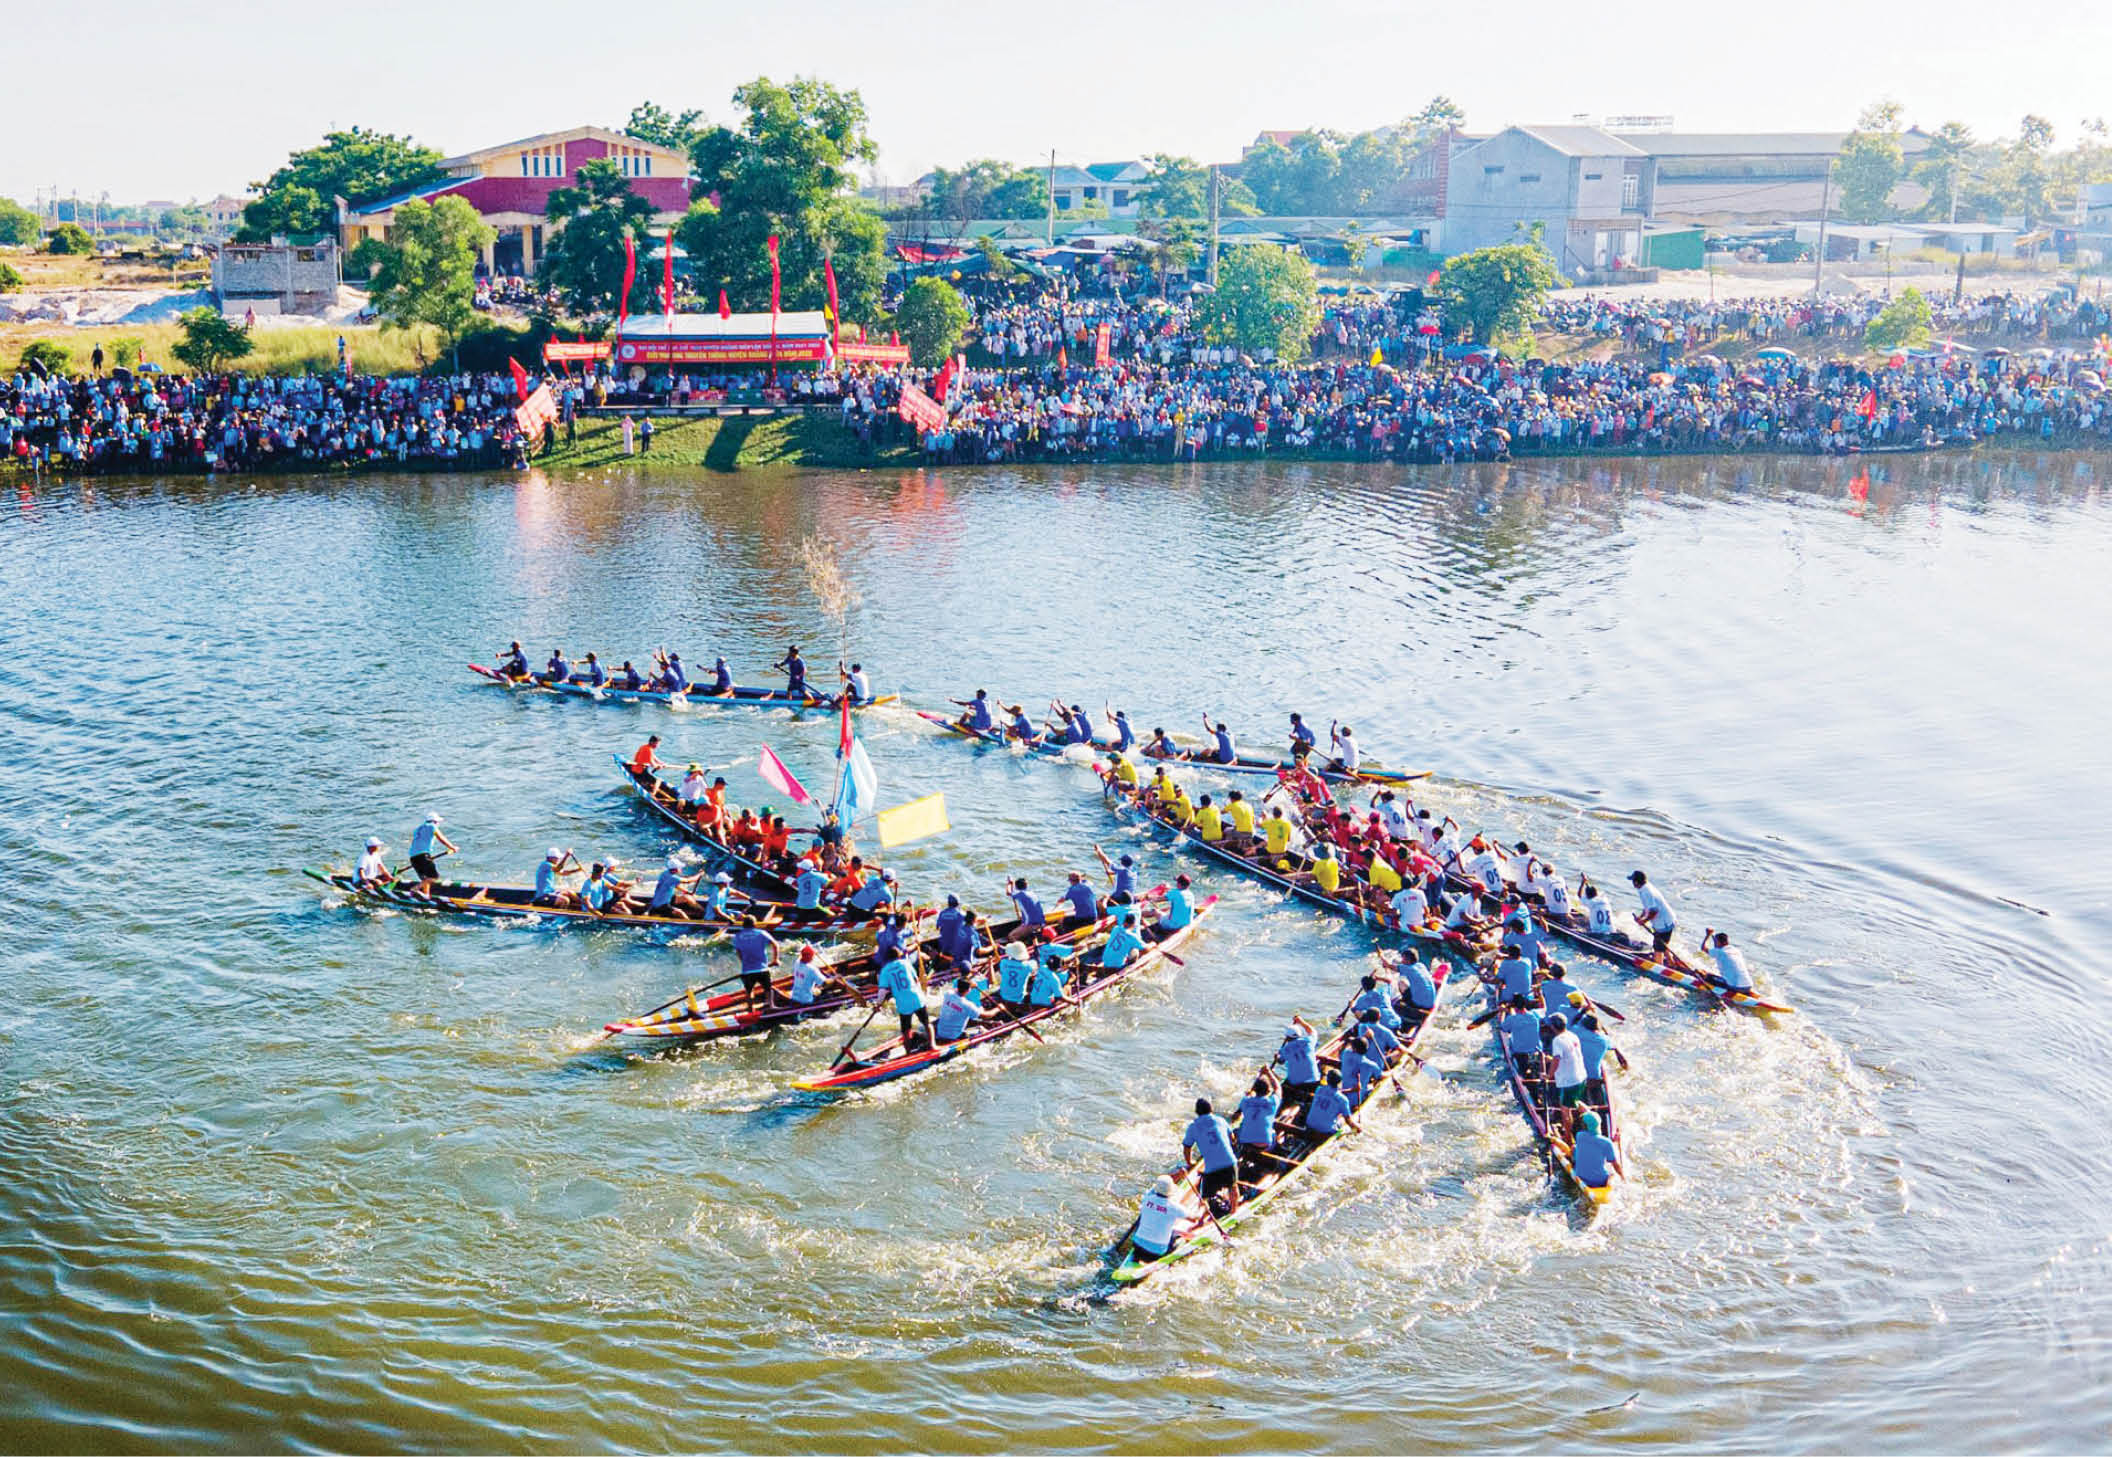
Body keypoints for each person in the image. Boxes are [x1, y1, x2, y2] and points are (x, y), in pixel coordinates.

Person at [1182, 1097, 1242, 1213]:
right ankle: (1234, 1211)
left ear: (1197, 1112)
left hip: (1211, 1168)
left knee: (1205, 1196)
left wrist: (1190, 1163)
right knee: (1233, 1186)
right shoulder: (1220, 1120)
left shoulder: (1193, 1127)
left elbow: (1187, 1147)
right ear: (1211, 1110)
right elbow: (1232, 1138)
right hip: (1230, 1162)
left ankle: (1199, 1219)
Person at [1129, 1173, 1196, 1262]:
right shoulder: (1174, 1207)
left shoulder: (1146, 1198)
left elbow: (1153, 1192)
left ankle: (1136, 1256)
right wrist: (1204, 1207)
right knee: (1176, 1235)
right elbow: (1194, 1219)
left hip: (1137, 1245)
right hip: (1157, 1252)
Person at [1543, 1011, 1589, 1138]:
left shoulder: (1557, 1040)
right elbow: (1568, 1056)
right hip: (1582, 1076)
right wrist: (1551, 1060)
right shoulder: (1572, 1035)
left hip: (1570, 1081)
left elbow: (1557, 1060)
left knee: (1565, 1110)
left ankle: (1568, 1137)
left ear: (1553, 1027)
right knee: (1575, 1100)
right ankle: (1590, 1115)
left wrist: (1548, 1076)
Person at [876, 945, 931, 1048]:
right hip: (917, 998)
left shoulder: (885, 971)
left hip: (903, 1004)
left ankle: (908, 1052)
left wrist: (878, 1004)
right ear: (898, 955)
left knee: (906, 1031)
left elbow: (882, 991)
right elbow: (916, 980)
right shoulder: (906, 963)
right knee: (927, 1023)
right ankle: (933, 1045)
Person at [731, 916, 781, 1011]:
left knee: (749, 991)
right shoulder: (762, 933)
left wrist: (744, 962)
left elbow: (738, 952)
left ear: (743, 925)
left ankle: (750, 1009)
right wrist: (775, 960)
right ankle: (771, 1006)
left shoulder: (737, 936)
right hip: (762, 968)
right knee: (768, 989)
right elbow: (775, 944)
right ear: (755, 924)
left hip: (747, 970)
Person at [1275, 1016, 1322, 1113]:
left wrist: (1276, 1057)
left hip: (1295, 1083)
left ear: (1287, 1038)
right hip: (1314, 1081)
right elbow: (1312, 1031)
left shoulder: (1285, 1049)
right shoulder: (1309, 1041)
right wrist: (1301, 1021)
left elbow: (1281, 1061)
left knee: (1283, 1090)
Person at [1568, 1110, 1622, 1191]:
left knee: (1574, 1148)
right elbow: (1615, 1164)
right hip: (1599, 1180)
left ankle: (1574, 1164)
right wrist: (1622, 1176)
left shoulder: (1579, 1135)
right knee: (1612, 1174)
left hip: (1580, 1176)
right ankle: (1610, 1187)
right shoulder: (1606, 1142)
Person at [405, 813, 455, 898]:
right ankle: (415, 889)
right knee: (434, 877)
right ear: (435, 821)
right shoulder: (432, 826)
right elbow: (441, 838)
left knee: (425, 879)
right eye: (438, 822)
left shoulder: (418, 828)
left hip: (413, 857)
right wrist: (452, 847)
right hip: (423, 855)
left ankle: (426, 895)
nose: (438, 824)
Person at [1235, 1071, 1281, 1160]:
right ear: (1268, 1091)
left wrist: (1250, 1094)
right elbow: (1278, 1088)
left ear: (1255, 1090)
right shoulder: (1273, 1102)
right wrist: (1268, 1072)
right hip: (1264, 1146)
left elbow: (1237, 1115)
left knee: (1237, 1130)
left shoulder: (1245, 1101)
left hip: (1245, 1142)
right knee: (1274, 1133)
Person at [1304, 1069, 1362, 1137]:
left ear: (1327, 1080)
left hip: (1309, 1124)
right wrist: (1358, 1128)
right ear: (1339, 1082)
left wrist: (1352, 1090)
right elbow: (1349, 1122)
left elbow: (1331, 1093)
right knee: (1342, 1119)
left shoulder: (1319, 1089)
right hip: (1326, 1131)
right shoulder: (1343, 1100)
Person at [933, 974, 989, 1043]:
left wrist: (969, 986)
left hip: (940, 1033)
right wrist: (999, 1008)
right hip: (954, 1036)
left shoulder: (948, 994)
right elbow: (986, 1016)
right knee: (982, 1029)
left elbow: (956, 990)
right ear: (968, 990)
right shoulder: (967, 1004)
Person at [1498, 996, 1544, 1080]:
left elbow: (1502, 1027)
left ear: (1514, 1007)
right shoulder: (1535, 1015)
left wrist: (1502, 1012)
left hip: (1520, 1054)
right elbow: (1542, 1008)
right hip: (1536, 1052)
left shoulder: (1512, 1019)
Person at [1630, 870, 1677, 952]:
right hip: (1666, 921)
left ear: (1636, 882)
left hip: (1664, 924)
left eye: (1633, 881)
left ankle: (1658, 963)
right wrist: (1641, 917)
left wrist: (1644, 921)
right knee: (1662, 944)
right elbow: (1647, 907)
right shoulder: (1645, 887)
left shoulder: (1646, 892)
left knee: (1658, 948)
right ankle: (1670, 962)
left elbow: (1654, 911)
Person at [1150, 874, 1196, 942]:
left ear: (1179, 884)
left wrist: (1149, 897)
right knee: (1166, 912)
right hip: (1187, 923)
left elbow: (1157, 900)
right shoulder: (1191, 894)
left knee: (1154, 911)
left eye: (1177, 882)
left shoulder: (1175, 892)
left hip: (1173, 925)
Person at [995, 940, 1036, 1008]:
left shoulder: (1003, 962)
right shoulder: (1027, 966)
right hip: (1019, 998)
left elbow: (1001, 971)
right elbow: (1035, 963)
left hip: (1003, 995)